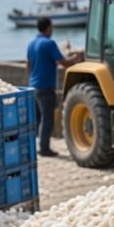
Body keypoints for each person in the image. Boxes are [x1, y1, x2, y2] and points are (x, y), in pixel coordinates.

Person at [26, 17, 83, 157]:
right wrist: (77, 59)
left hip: (34, 85)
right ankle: (44, 148)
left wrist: (33, 77)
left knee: (37, 119)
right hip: (46, 86)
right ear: (48, 28)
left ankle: (32, 147)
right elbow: (62, 62)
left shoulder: (31, 43)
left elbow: (27, 63)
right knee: (47, 119)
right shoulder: (49, 43)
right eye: (51, 27)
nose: (52, 30)